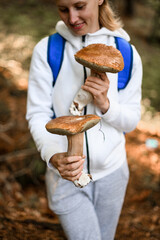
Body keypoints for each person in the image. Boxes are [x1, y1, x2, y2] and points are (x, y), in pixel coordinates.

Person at [26, 0, 142, 239]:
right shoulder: (48, 50)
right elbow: (37, 114)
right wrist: (52, 155)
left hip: (112, 172)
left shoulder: (127, 53)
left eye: (79, 6)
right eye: (63, 9)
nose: (72, 18)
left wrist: (105, 104)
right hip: (65, 174)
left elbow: (131, 122)